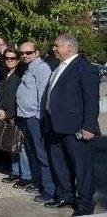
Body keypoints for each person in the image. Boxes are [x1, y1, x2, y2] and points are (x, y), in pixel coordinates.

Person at [44, 33, 100, 215]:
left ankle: (85, 204)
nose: (53, 49)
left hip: (77, 128)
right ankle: (66, 196)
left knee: (82, 168)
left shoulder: (84, 68)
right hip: (56, 126)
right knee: (61, 165)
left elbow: (91, 100)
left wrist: (89, 127)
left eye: (56, 45)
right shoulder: (58, 66)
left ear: (69, 47)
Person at [15, 42, 55, 202]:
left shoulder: (42, 69)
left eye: (28, 52)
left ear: (37, 52)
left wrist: (40, 117)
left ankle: (49, 189)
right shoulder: (29, 68)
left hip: (34, 118)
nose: (25, 55)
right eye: (22, 53)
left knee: (42, 154)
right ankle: (38, 183)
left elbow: (44, 96)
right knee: (33, 153)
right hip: (25, 116)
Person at [0, 48, 31, 187]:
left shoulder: (21, 75)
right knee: (11, 145)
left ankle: (26, 176)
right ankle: (15, 172)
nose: (9, 61)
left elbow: (19, 98)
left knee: (20, 148)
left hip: (16, 115)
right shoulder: (3, 75)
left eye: (13, 58)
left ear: (18, 59)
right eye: (7, 58)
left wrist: (9, 113)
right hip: (3, 114)